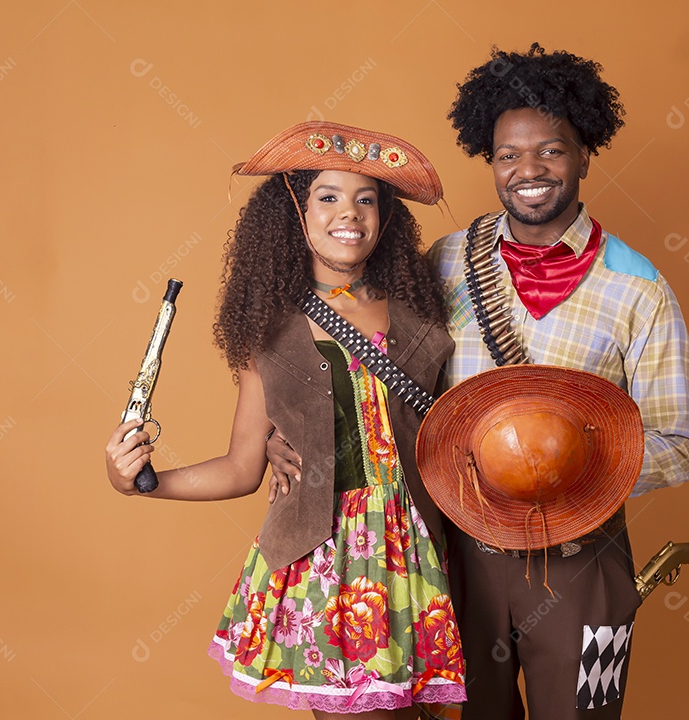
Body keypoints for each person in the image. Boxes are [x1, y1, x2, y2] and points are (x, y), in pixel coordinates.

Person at [270, 44, 689, 719]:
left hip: (580, 558)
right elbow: (378, 375)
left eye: (551, 151)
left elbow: (680, 442)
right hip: (456, 554)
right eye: (508, 155)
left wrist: (565, 469)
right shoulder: (445, 262)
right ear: (491, 162)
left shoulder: (637, 287)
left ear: (585, 155)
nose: (529, 170)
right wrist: (298, 435)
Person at [104, 121, 466, 718]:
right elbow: (241, 468)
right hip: (323, 561)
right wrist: (141, 483)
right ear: (294, 212)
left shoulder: (420, 310)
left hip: (419, 549)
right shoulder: (270, 332)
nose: (349, 213)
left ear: (386, 217)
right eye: (328, 196)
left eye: (367, 199)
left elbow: (454, 426)